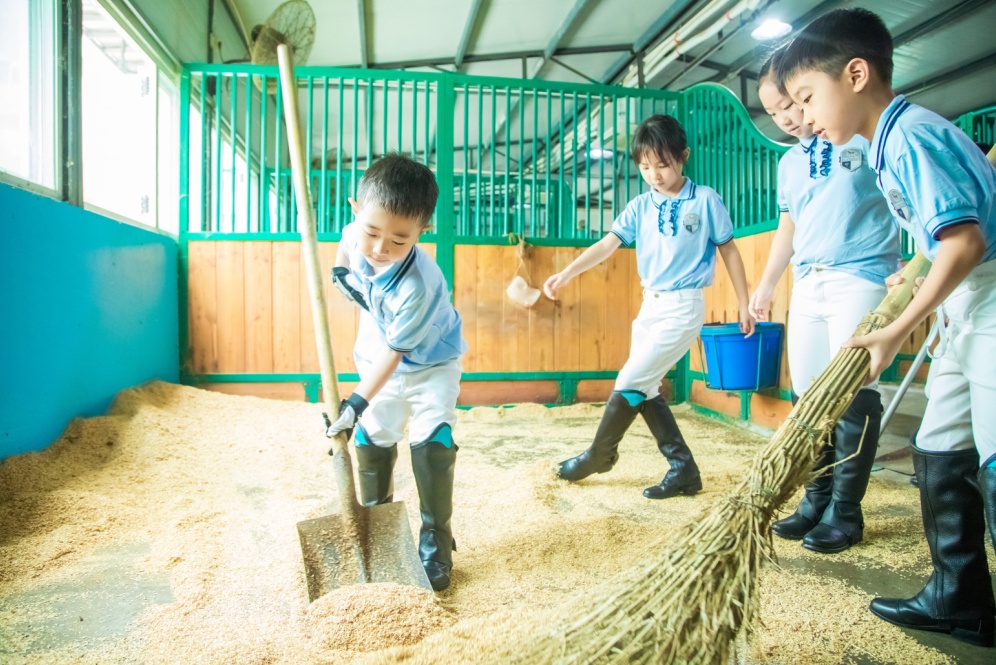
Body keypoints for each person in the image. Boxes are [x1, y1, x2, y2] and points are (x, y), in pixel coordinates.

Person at [777, 8, 996, 647]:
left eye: (808, 98)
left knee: (989, 449)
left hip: (988, 301)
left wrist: (899, 325)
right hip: (965, 306)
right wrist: (914, 271)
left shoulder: (908, 137)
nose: (806, 117)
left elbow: (964, 240)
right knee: (938, 443)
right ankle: (961, 599)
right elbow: (942, 235)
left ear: (855, 73)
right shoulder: (887, 141)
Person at [544, 114, 755, 500]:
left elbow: (730, 250)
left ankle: (599, 454)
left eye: (662, 164)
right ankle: (683, 469)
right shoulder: (641, 205)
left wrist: (745, 303)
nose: (654, 174)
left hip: (683, 307)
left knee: (630, 381)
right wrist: (568, 273)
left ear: (683, 156)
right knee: (647, 387)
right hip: (649, 308)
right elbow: (607, 243)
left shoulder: (705, 199)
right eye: (644, 166)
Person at [749, 47, 901, 554]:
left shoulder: (858, 132)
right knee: (807, 396)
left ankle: (846, 512)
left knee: (852, 392)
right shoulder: (790, 162)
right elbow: (787, 226)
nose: (788, 117)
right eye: (774, 112)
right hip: (808, 283)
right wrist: (768, 284)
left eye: (792, 103)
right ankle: (815, 500)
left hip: (860, 275)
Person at [325, 153, 468, 592]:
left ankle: (435, 540)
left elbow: (396, 353)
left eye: (399, 239)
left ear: (421, 232)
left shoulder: (419, 285)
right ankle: (376, 526)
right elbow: (348, 247)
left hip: (429, 365)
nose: (380, 248)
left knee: (432, 440)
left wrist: (354, 402)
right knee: (373, 438)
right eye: (372, 232)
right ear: (356, 210)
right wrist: (339, 271)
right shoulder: (357, 232)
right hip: (374, 354)